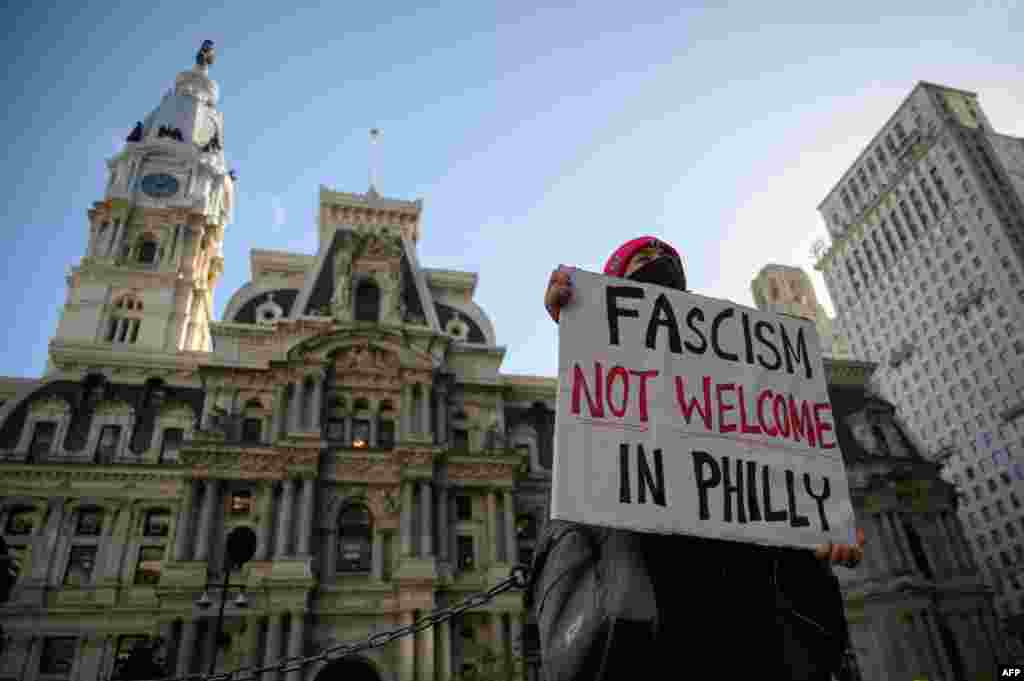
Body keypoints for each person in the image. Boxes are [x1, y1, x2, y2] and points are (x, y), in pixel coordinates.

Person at [530, 236, 865, 680]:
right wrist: (579, 319)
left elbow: (783, 476)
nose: (657, 262)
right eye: (640, 262)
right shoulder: (599, 408)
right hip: (656, 627)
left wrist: (824, 525)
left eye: (665, 259)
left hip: (756, 624)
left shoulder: (746, 383)